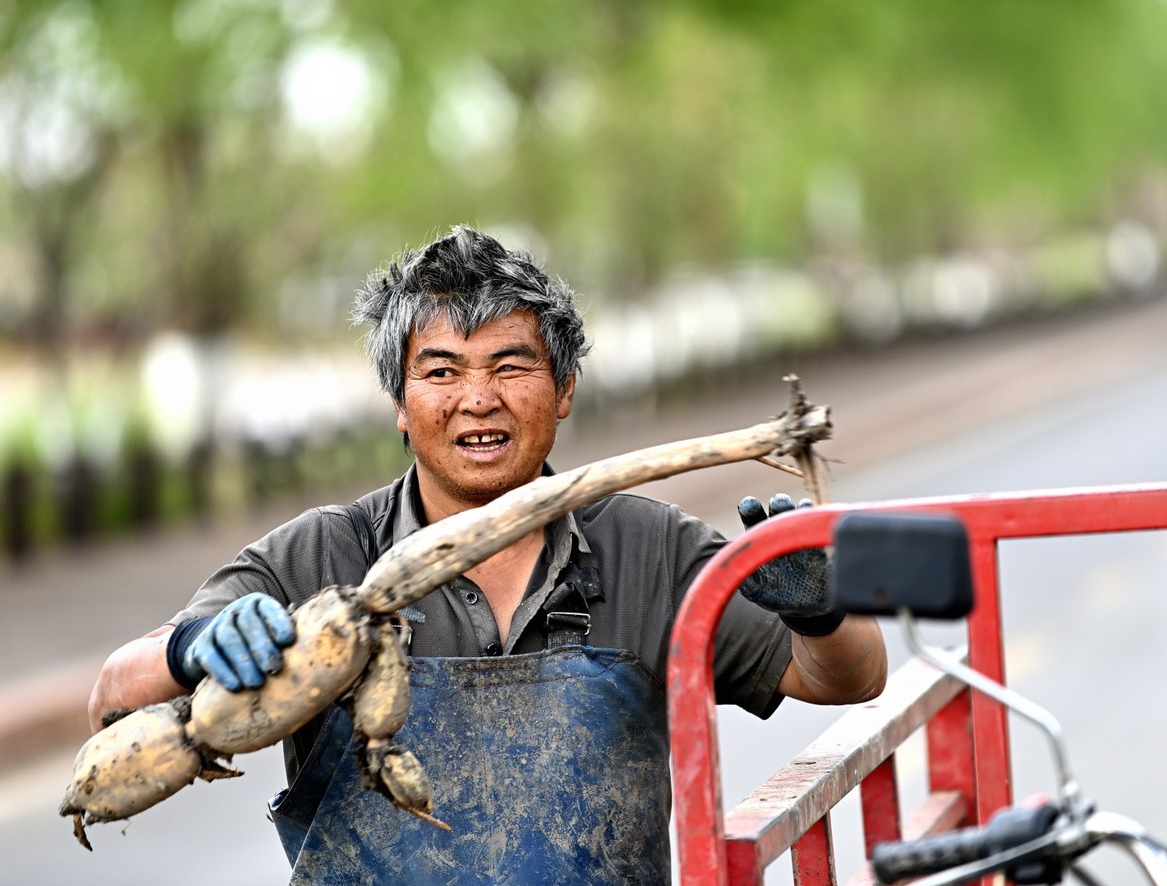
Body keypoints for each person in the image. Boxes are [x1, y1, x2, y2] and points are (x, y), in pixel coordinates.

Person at [88, 225, 886, 885]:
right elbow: (116, 698)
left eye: (512, 366)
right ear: (401, 405)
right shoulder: (321, 555)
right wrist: (195, 648)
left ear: (564, 388)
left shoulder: (649, 547)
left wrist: (820, 609)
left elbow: (847, 677)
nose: (478, 399)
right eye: (442, 371)